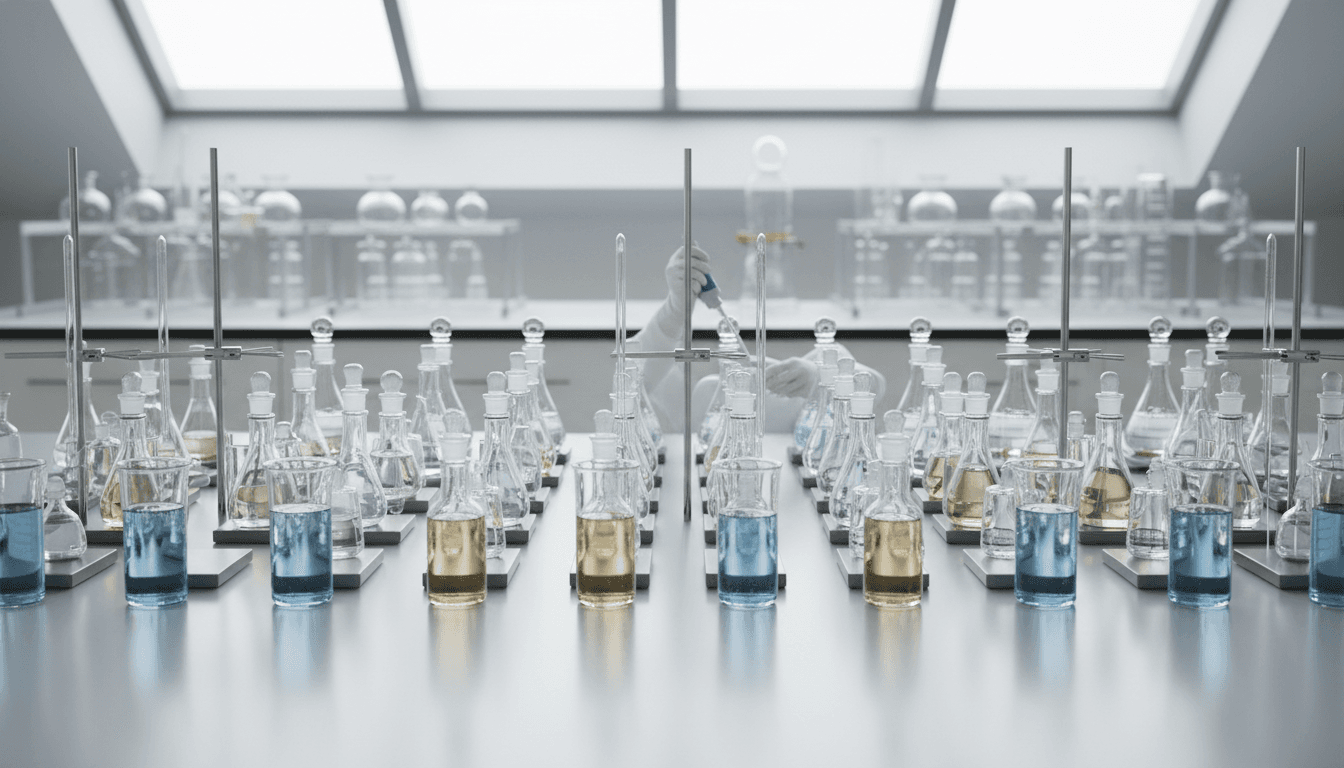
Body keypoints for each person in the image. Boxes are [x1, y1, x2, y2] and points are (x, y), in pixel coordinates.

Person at [632, 246, 884, 433]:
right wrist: (674, 311)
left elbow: (873, 385)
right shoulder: (699, 398)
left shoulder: (819, 370)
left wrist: (817, 379)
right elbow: (632, 375)